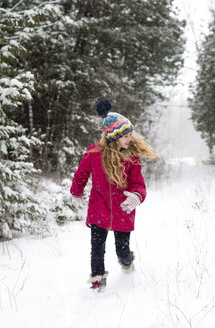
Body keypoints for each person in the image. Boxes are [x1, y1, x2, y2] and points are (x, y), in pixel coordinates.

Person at [70, 98, 156, 291]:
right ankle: (97, 281)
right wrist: (76, 192)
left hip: (123, 209)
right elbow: (81, 175)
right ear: (113, 136)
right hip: (98, 209)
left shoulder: (131, 157)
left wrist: (136, 196)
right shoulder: (93, 154)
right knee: (97, 249)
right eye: (125, 135)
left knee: (122, 250)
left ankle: (127, 262)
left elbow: (138, 184)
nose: (130, 139)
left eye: (131, 134)